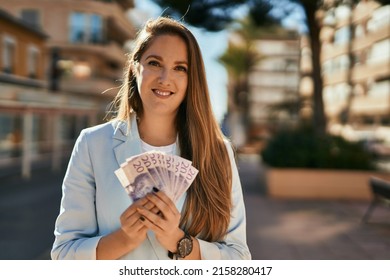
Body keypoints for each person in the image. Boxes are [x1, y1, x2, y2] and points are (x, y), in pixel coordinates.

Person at [51, 16, 251, 260]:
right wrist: (124, 239)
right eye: (155, 63)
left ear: (191, 80)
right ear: (136, 68)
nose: (165, 78)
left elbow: (239, 258)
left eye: (180, 68)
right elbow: (63, 254)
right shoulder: (92, 144)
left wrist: (179, 242)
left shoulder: (218, 152)